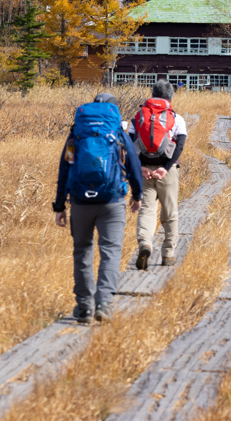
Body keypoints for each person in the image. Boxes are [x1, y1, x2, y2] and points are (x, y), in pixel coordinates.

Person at [53, 92, 142, 324]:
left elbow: (65, 167)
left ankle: (84, 307)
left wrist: (60, 205)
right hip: (112, 200)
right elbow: (132, 162)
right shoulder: (118, 133)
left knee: (82, 251)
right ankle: (103, 302)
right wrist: (137, 194)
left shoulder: (77, 134)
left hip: (81, 201)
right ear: (114, 111)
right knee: (110, 251)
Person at [130, 79, 188, 270]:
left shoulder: (139, 116)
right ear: (171, 96)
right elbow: (179, 146)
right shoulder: (176, 118)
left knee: (146, 209)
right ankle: (168, 254)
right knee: (170, 212)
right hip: (167, 171)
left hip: (144, 169)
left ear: (152, 94)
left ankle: (145, 244)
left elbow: (130, 145)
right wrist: (167, 167)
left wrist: (139, 167)